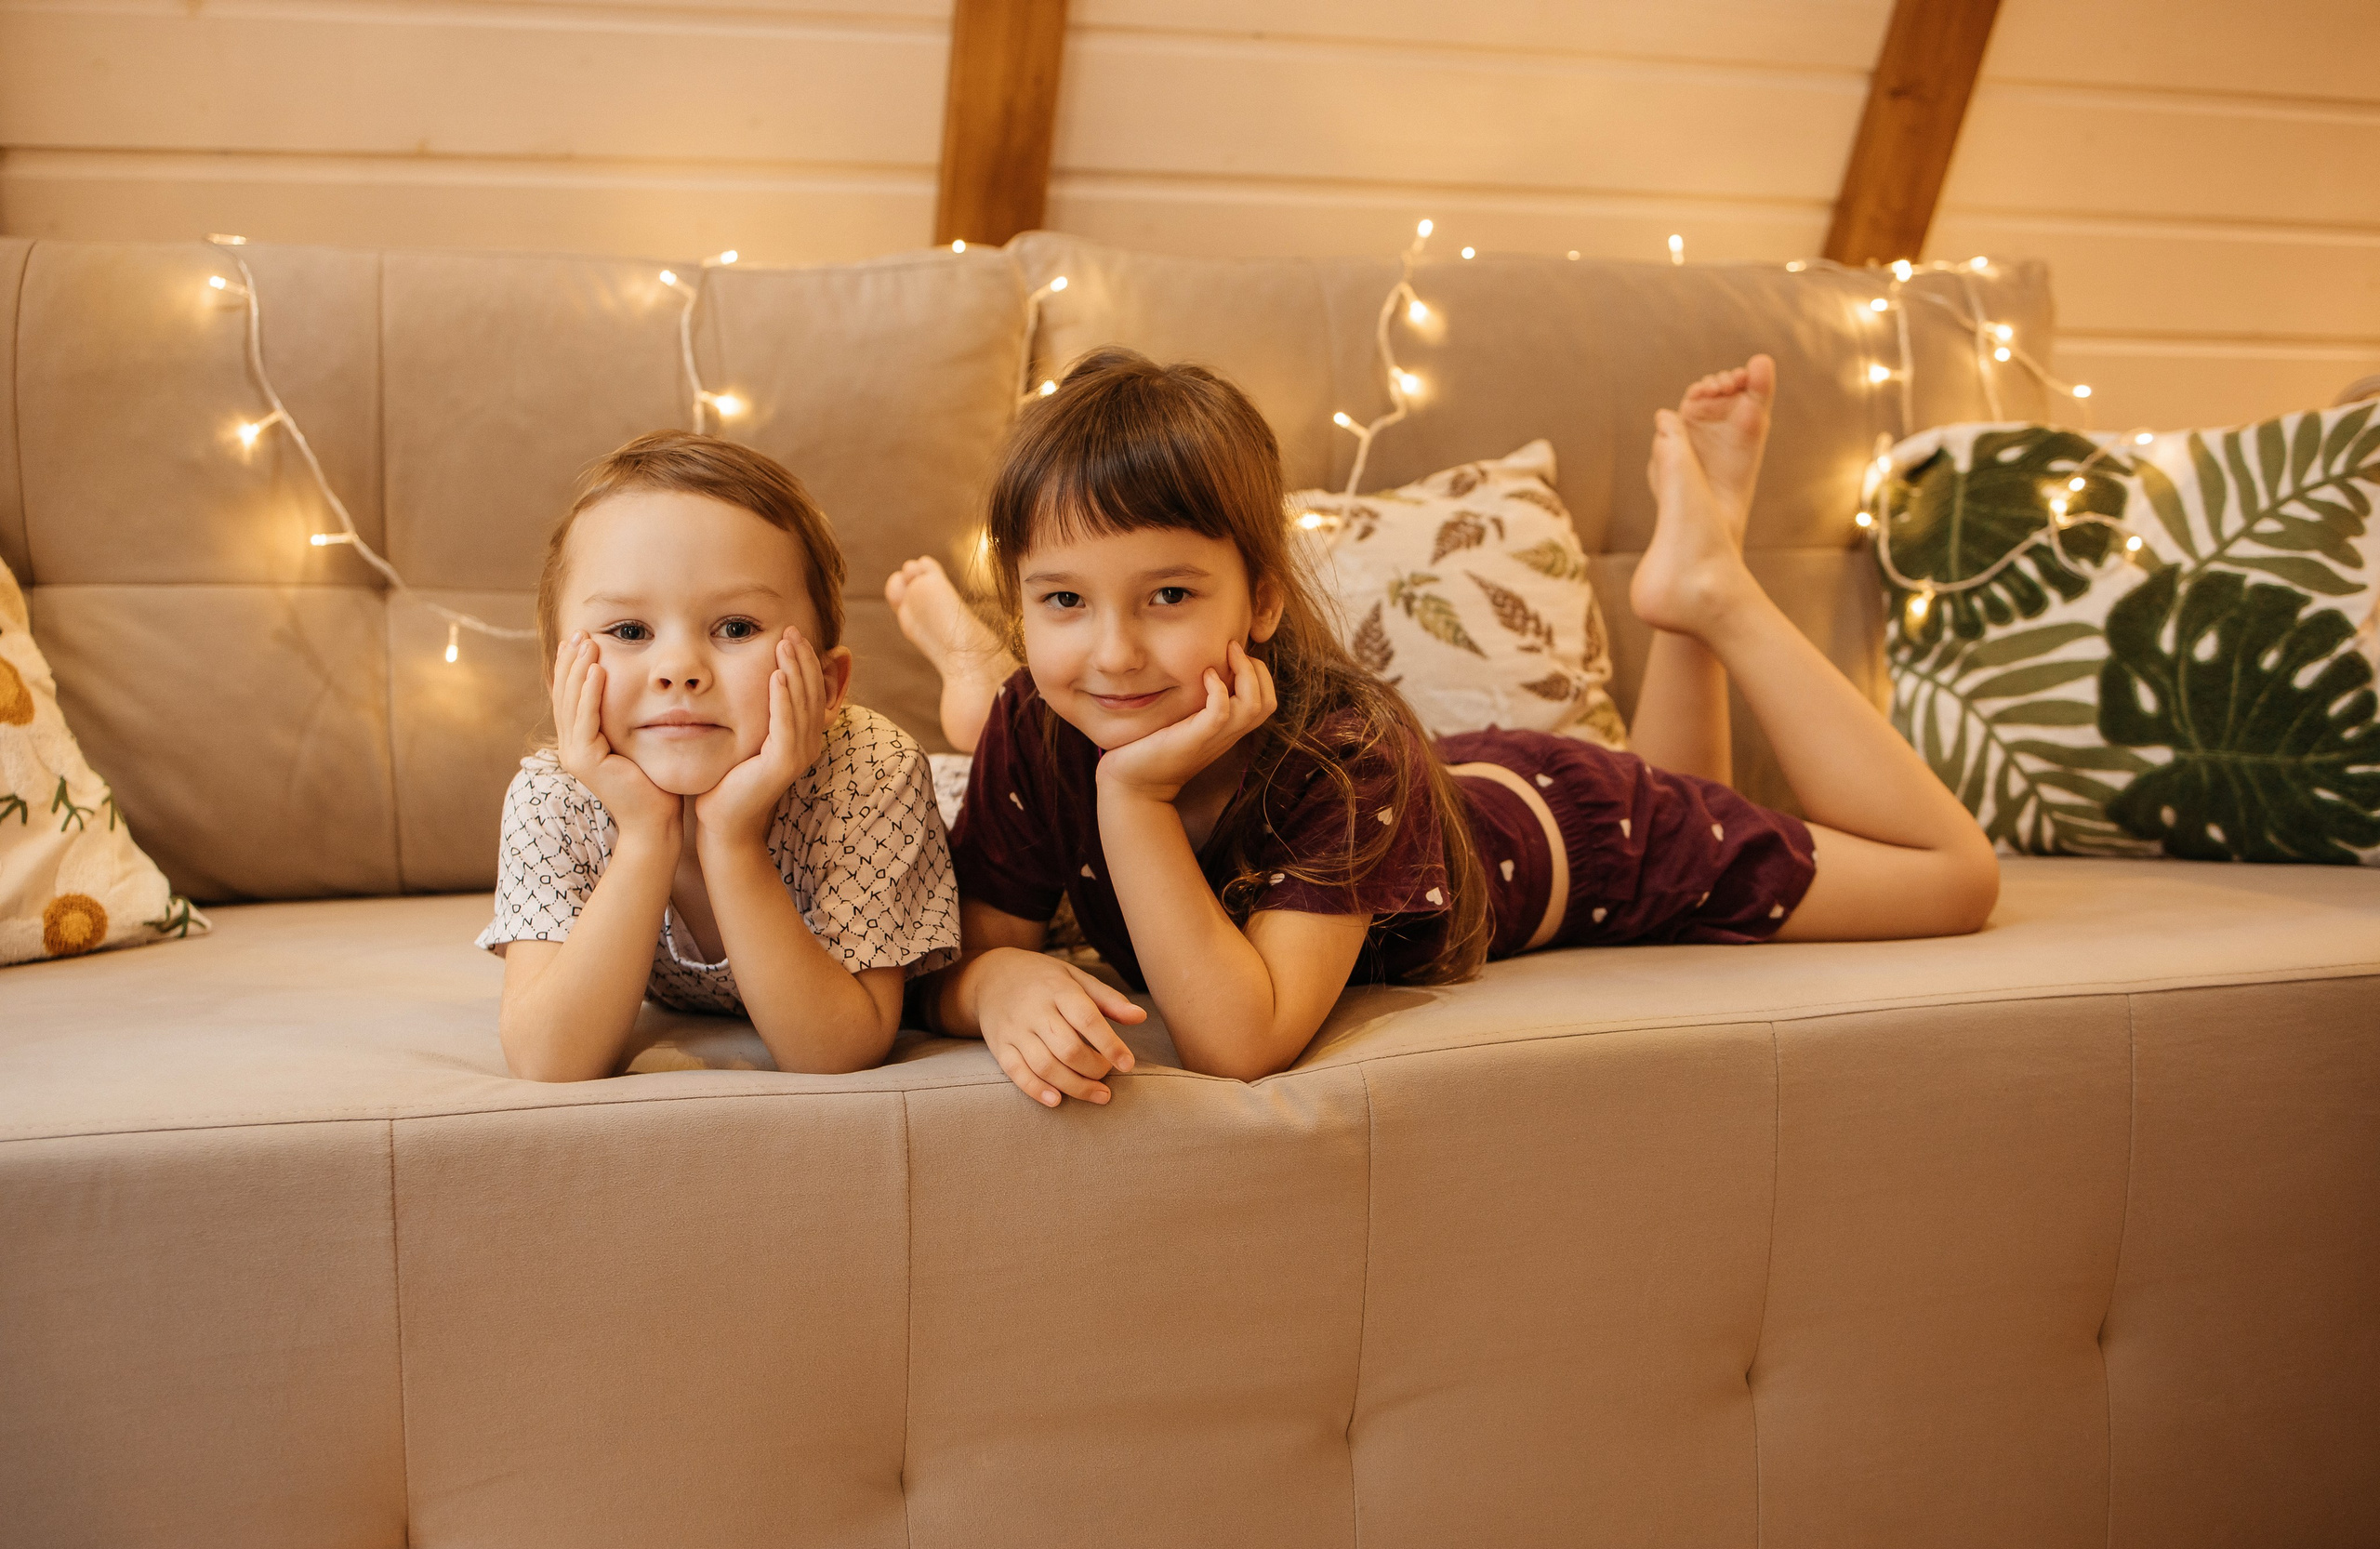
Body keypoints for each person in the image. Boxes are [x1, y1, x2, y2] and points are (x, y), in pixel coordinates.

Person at [892, 350, 2000, 1108]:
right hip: (1451, 802)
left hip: (1587, 834)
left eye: (1170, 597)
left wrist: (1129, 798)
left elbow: (1242, 1041)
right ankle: (1691, 570)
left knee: (1951, 881)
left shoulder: (1342, 748)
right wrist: (996, 985)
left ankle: (1715, 592)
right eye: (1063, 602)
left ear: (1262, 601)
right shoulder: (1034, 725)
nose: (1114, 653)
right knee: (1684, 780)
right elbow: (970, 954)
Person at [480, 430, 959, 1081]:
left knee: (1018, 755)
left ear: (826, 686)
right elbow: (547, 1058)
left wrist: (731, 839)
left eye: (735, 628)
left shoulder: (871, 773)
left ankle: (980, 684)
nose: (678, 669)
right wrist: (646, 835)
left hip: (968, 815)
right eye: (629, 631)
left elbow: (839, 1048)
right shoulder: (553, 796)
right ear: (556, 678)